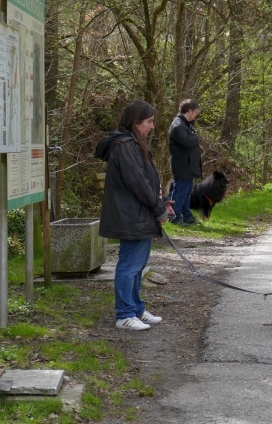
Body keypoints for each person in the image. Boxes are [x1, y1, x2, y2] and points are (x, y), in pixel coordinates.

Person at [95, 100, 175, 331]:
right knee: (129, 264)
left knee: (138, 265)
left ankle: (136, 309)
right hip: (130, 216)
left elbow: (145, 182)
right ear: (136, 121)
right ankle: (124, 314)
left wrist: (161, 204)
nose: (152, 127)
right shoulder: (124, 146)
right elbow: (138, 183)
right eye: (149, 122)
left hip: (139, 215)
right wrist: (158, 209)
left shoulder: (131, 144)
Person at [168, 99, 202, 225]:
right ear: (190, 111)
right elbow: (187, 141)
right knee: (180, 192)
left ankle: (186, 215)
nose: (196, 115)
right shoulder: (178, 126)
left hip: (187, 165)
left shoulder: (185, 124)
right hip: (182, 165)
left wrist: (193, 134)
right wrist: (196, 136)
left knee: (187, 192)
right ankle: (174, 217)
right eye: (195, 112)